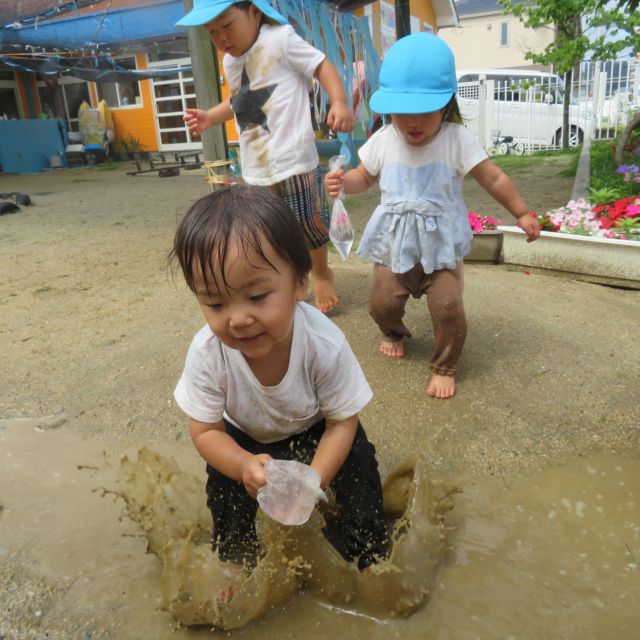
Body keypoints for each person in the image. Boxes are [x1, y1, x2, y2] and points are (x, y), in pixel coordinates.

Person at [170, 185, 389, 580]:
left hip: (317, 428)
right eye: (215, 304)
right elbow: (204, 430)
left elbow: (343, 421)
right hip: (245, 439)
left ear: (299, 283)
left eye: (256, 296)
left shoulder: (323, 344)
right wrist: (241, 464)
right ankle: (235, 561)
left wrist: (314, 479)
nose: (237, 319)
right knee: (224, 484)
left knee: (358, 467)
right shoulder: (207, 351)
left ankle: (368, 553)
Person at [325, 33, 541, 400]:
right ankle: (393, 332)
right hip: (395, 245)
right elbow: (365, 176)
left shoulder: (456, 139)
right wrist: (343, 182)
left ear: (447, 105)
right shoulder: (383, 139)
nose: (412, 122)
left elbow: (492, 176)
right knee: (381, 304)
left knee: (448, 309)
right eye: (402, 111)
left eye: (425, 111)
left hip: (440, 249)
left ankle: (444, 365)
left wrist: (521, 211)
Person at [176, 0, 355, 313]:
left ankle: (321, 273)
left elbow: (321, 65)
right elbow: (239, 101)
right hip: (257, 167)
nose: (221, 38)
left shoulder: (280, 39)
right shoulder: (231, 64)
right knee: (269, 229)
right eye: (212, 33)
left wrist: (338, 101)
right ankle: (288, 278)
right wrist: (209, 117)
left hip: (295, 159)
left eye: (227, 25)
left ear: (254, 12)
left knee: (308, 222)